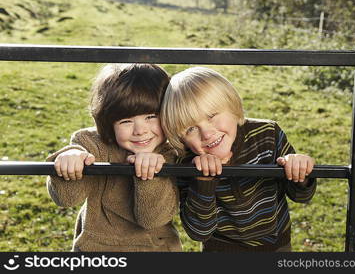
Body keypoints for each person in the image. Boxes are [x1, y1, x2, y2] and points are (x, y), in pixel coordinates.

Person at [160, 67, 316, 252]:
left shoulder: (267, 134)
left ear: (232, 107)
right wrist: (203, 182)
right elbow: (199, 232)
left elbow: (302, 196)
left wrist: (300, 171)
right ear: (181, 139)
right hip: (220, 250)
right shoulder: (186, 163)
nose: (207, 133)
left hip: (277, 244)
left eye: (211, 116)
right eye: (190, 129)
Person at [46, 63, 182, 252]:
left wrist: (150, 175)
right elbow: (67, 199)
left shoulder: (172, 152)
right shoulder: (92, 143)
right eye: (126, 121)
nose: (140, 131)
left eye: (151, 116)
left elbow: (152, 219)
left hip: (156, 249)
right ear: (108, 122)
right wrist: (69, 160)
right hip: (97, 249)